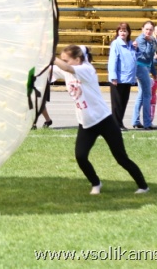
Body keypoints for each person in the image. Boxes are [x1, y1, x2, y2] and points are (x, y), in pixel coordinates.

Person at [54, 45, 149, 195]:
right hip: (86, 123)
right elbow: (49, 69)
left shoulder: (86, 69)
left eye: (66, 59)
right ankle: (96, 183)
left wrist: (49, 55)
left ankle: (143, 186)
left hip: (104, 121)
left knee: (121, 157)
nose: (63, 62)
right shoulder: (67, 70)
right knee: (80, 156)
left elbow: (65, 67)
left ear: (77, 59)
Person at [107, 22, 137, 130]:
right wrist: (113, 76)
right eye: (120, 31)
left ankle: (119, 123)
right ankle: (115, 124)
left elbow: (135, 58)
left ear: (128, 32)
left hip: (128, 78)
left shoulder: (131, 44)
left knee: (124, 102)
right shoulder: (116, 44)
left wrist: (137, 49)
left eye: (125, 31)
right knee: (117, 103)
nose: (122, 33)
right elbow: (113, 61)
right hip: (119, 78)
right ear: (117, 32)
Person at [131, 21, 157, 130]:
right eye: (146, 29)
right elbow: (145, 54)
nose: (148, 31)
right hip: (140, 66)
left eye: (150, 30)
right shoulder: (140, 40)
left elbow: (151, 57)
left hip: (147, 67)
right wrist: (149, 43)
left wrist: (154, 72)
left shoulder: (153, 40)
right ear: (142, 29)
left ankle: (136, 121)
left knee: (141, 94)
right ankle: (147, 122)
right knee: (147, 94)